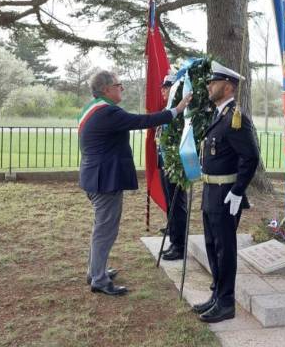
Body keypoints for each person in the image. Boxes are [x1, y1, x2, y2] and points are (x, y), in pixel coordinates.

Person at [79, 70, 191, 296]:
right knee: (105, 231)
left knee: (101, 228)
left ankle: (95, 271)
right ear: (106, 89)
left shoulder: (93, 108)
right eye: (118, 85)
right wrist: (176, 110)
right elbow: (141, 121)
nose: (122, 88)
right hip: (105, 181)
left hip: (96, 177)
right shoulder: (108, 111)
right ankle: (99, 279)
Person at [192, 61, 260, 323]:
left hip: (225, 194)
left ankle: (226, 302)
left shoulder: (236, 118)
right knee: (212, 245)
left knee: (225, 249)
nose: (209, 86)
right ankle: (216, 294)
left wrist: (238, 190)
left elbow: (250, 157)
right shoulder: (219, 114)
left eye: (214, 82)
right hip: (211, 190)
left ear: (228, 87)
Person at [157, 74, 188, 261]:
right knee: (170, 204)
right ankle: (173, 239)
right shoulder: (167, 110)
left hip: (176, 165)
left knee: (178, 204)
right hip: (164, 163)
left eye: (167, 87)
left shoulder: (181, 112)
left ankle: (179, 245)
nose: (163, 90)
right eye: (162, 87)